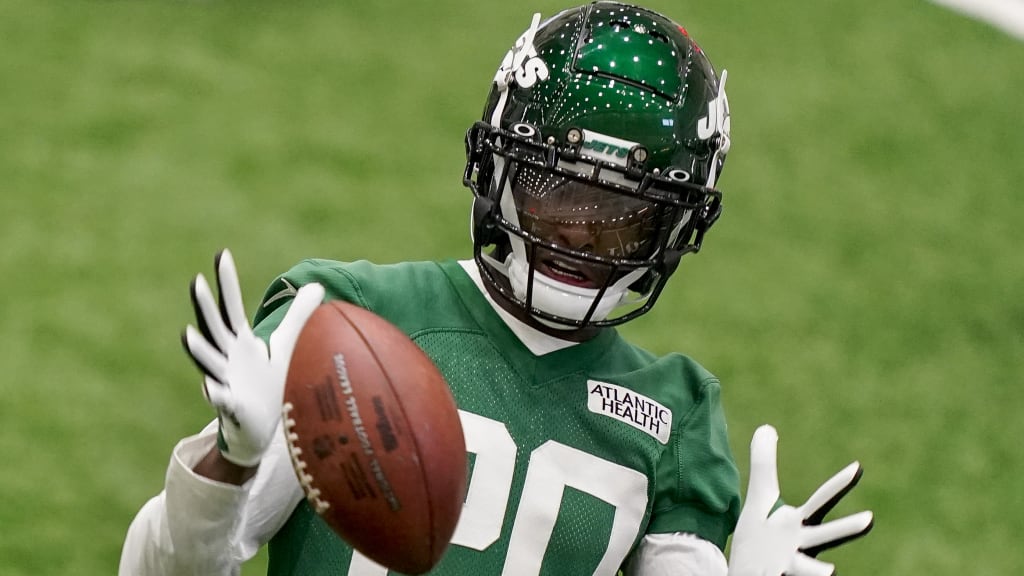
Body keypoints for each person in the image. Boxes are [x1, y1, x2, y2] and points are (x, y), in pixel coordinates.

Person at [120, 3, 872, 575]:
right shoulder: (350, 319)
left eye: (624, 217)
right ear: (497, 173)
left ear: (675, 231)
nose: (579, 235)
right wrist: (231, 463)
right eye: (556, 191)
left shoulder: (677, 416)